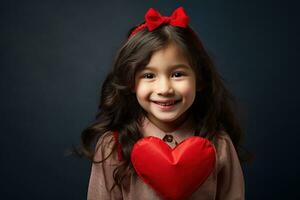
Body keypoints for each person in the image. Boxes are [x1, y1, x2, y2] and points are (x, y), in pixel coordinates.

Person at [79, 6, 247, 200]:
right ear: (131, 82)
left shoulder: (219, 144)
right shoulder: (112, 146)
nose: (165, 88)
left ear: (199, 79)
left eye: (177, 74)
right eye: (149, 75)